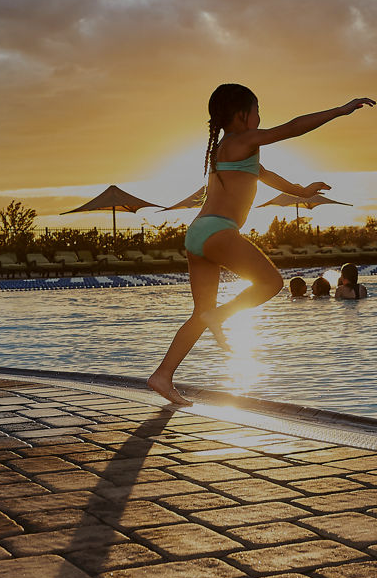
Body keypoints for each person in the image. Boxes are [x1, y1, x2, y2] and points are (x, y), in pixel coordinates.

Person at [147, 84, 375, 405]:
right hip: (219, 230)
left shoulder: (229, 147)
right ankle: (219, 316)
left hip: (198, 232)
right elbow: (293, 128)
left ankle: (163, 375)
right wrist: (339, 110)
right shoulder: (245, 139)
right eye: (256, 109)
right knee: (271, 282)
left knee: (201, 312)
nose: (260, 116)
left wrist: (302, 190)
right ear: (241, 115)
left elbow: (264, 174)